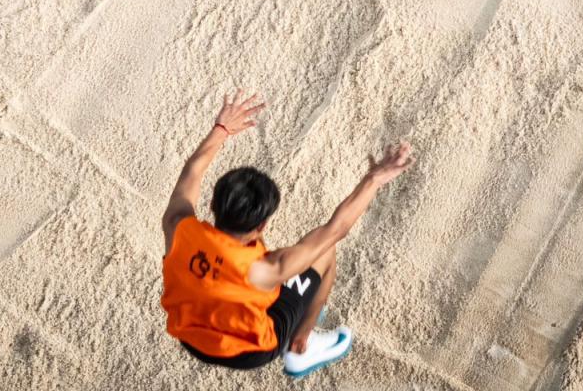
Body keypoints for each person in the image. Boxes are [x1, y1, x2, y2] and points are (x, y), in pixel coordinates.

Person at [160, 90, 412, 380]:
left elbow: (192, 171)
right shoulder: (267, 269)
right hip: (250, 352)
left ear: (212, 205)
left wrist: (222, 129)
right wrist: (374, 179)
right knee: (324, 252)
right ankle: (301, 344)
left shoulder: (178, 227)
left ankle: (298, 328)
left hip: (189, 338)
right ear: (263, 225)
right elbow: (335, 230)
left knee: (299, 253)